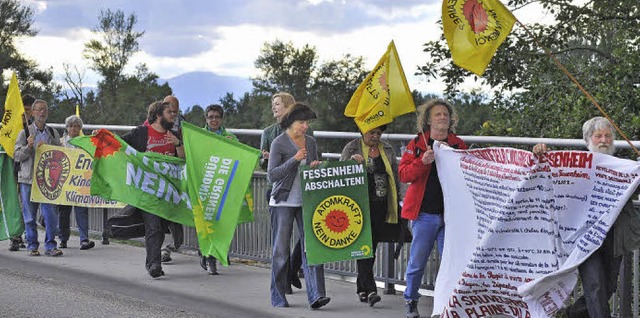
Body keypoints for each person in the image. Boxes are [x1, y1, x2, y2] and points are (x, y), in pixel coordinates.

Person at [534, 117, 640, 318]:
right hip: (584, 237)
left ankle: (570, 314)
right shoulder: (575, 166)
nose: (604, 140)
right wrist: (541, 153)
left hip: (613, 237)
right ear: (588, 139)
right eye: (598, 135)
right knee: (596, 286)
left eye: (608, 136)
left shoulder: (621, 166)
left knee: (607, 288)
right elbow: (548, 175)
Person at [399, 99, 467, 318]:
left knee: (450, 263)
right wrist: (422, 162)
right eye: (437, 114)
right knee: (417, 262)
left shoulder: (458, 145)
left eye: (445, 114)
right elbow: (404, 174)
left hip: (450, 218)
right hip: (423, 215)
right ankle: (410, 299)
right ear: (428, 120)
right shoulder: (417, 143)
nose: (442, 117)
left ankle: (445, 306)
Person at [267, 102, 330, 309]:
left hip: (307, 201)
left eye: (307, 123)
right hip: (283, 201)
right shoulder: (278, 143)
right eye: (302, 122)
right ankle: (277, 296)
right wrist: (294, 159)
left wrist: (315, 166)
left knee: (313, 247)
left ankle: (317, 295)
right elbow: (272, 175)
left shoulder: (310, 142)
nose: (305, 126)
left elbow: (313, 165)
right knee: (280, 251)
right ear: (290, 122)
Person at [340, 124, 401, 307]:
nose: (375, 136)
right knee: (364, 244)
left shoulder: (387, 148)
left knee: (371, 246)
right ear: (362, 131)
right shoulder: (351, 147)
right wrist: (352, 162)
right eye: (372, 132)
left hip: (381, 204)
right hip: (359, 205)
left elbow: (395, 175)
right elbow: (340, 174)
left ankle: (362, 288)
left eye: (379, 133)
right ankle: (372, 288)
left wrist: (400, 200)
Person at [122, 101, 184, 278]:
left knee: (163, 228)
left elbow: (183, 160)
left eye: (174, 113)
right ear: (158, 115)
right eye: (169, 112)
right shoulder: (142, 133)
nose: (173, 115)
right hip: (147, 191)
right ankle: (154, 264)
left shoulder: (173, 135)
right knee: (153, 227)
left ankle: (156, 259)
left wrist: (178, 143)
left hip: (168, 193)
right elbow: (119, 144)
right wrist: (99, 136)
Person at [260, 92, 303, 293]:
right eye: (272, 104)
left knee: (306, 238)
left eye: (277, 104)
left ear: (288, 107)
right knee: (280, 242)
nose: (273, 108)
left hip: (301, 191)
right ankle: (282, 284)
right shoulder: (269, 133)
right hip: (277, 190)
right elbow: (263, 165)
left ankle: (293, 269)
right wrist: (268, 159)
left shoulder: (302, 131)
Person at [14, 99, 64, 257]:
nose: (42, 112)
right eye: (39, 110)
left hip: (47, 181)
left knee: (50, 215)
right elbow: (17, 155)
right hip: (28, 179)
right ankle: (32, 245)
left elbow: (60, 154)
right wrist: (29, 147)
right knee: (29, 216)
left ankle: (50, 245)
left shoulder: (52, 132)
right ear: (33, 113)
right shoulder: (25, 132)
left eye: (44, 110)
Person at [198, 103, 238, 275]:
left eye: (217, 117)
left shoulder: (230, 137)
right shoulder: (198, 135)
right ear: (206, 118)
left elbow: (240, 158)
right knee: (206, 223)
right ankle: (207, 256)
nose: (213, 120)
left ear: (222, 119)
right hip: (204, 185)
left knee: (220, 223)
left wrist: (232, 147)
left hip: (222, 186)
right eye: (210, 117)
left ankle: (215, 253)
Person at [57, 115, 95, 250]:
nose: (74, 128)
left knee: (82, 211)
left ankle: (84, 239)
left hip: (80, 183)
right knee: (64, 212)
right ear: (67, 128)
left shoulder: (85, 142)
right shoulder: (60, 142)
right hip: (66, 183)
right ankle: (63, 239)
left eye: (77, 126)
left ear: (80, 128)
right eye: (71, 126)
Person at [158, 95, 184, 264]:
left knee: (175, 215)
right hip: (157, 177)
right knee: (158, 216)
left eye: (174, 109)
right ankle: (159, 252)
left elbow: (184, 152)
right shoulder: (153, 124)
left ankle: (173, 245)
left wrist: (177, 142)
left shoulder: (183, 125)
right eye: (168, 108)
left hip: (175, 177)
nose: (172, 112)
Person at [8, 94, 34, 252]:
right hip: (11, 168)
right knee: (14, 203)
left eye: (30, 110)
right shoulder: (10, 126)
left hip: (26, 171)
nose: (27, 113)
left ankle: (23, 234)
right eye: (25, 110)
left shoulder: (32, 128)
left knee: (26, 204)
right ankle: (15, 236)